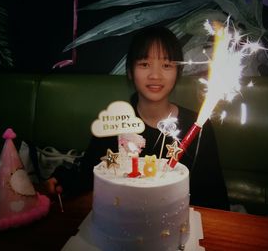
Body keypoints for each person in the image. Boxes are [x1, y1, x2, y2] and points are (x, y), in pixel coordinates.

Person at [45, 26, 230, 210]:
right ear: (130, 71)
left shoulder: (197, 126)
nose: (155, 75)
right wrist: (63, 180)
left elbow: (214, 198)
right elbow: (88, 177)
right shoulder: (115, 123)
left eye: (166, 65)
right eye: (144, 64)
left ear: (178, 72)